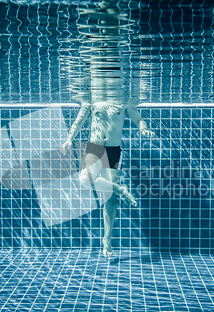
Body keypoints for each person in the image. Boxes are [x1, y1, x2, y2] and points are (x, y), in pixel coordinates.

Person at [61, 98, 154, 257]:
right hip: (95, 148)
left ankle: (107, 239)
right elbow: (79, 120)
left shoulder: (124, 101)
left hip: (114, 151)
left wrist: (143, 128)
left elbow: (138, 118)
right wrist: (69, 138)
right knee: (85, 179)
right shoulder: (91, 101)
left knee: (109, 197)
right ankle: (120, 188)